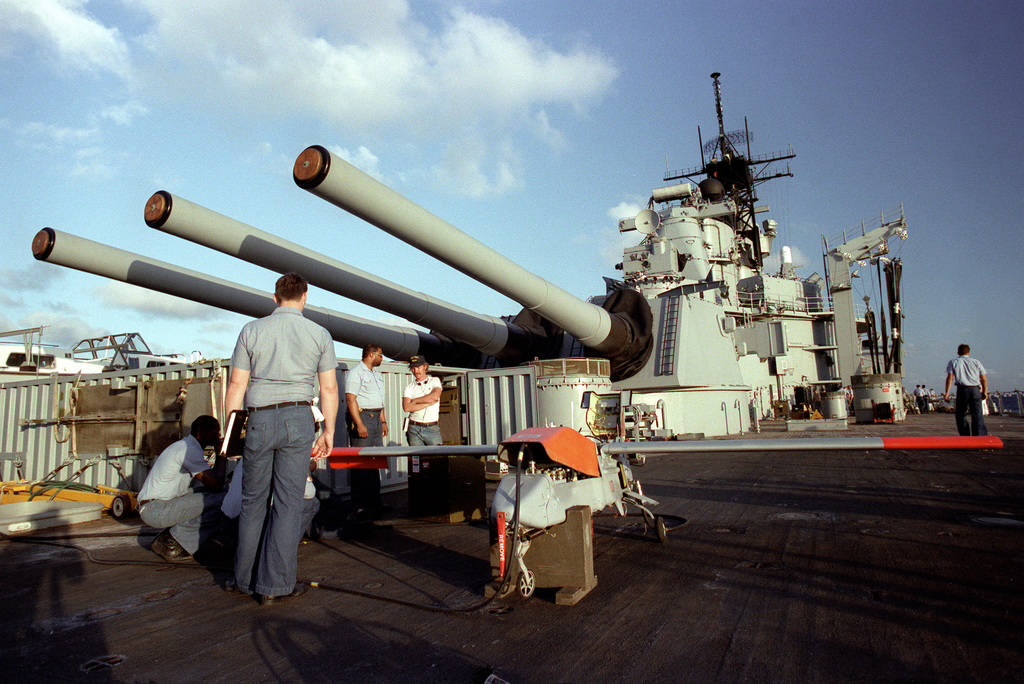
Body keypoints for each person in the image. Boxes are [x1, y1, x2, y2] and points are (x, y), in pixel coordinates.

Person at [224, 272, 338, 604]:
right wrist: (328, 431)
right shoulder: (319, 334)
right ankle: (274, 587)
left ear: (274, 298)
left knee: (253, 501)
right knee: (289, 504)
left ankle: (243, 580)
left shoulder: (251, 330)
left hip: (258, 419)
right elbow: (329, 388)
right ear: (305, 298)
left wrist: (231, 435)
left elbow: (236, 386)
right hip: (298, 419)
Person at [137, 415, 226, 562]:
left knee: (223, 494)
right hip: (155, 510)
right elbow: (215, 485)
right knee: (223, 500)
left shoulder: (187, 446)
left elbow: (216, 483)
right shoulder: (188, 450)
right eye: (214, 432)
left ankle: (171, 537)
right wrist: (221, 454)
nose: (218, 436)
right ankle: (173, 543)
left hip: (158, 505)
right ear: (200, 433)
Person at [345, 343, 388, 519]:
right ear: (371, 355)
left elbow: (380, 399)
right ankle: (360, 506)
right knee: (361, 463)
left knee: (375, 462)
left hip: (376, 418)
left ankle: (374, 504)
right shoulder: (356, 373)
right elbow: (350, 399)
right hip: (364, 418)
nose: (381, 358)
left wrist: (383, 421)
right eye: (380, 355)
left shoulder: (376, 374)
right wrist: (359, 424)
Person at [942, 343, 988, 436]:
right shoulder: (976, 362)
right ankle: (979, 438)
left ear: (958, 352)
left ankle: (965, 437)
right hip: (975, 389)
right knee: (977, 414)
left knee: (961, 414)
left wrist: (947, 393)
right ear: (969, 352)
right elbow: (983, 379)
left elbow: (950, 378)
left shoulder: (953, 362)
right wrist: (984, 392)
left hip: (962, 390)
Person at [402, 355, 443, 446]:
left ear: (425, 366)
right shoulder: (409, 388)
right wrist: (427, 404)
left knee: (438, 456)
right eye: (413, 368)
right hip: (414, 428)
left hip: (432, 428)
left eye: (418, 367)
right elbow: (407, 407)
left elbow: (435, 396)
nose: (416, 371)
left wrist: (415, 401)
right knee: (416, 457)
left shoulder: (434, 381)